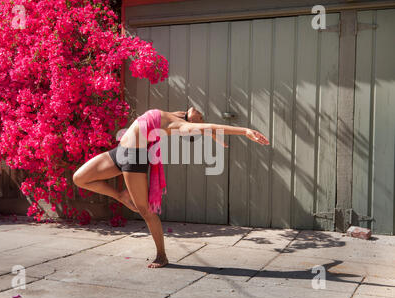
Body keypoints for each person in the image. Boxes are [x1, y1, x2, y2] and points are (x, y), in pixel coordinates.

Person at [72, 107, 269, 268]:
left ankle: (161, 255)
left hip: (134, 158)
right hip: (120, 152)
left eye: (199, 119)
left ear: (192, 125)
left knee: (146, 211)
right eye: (200, 117)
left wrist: (244, 131)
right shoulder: (176, 115)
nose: (201, 114)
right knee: (80, 178)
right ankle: (121, 196)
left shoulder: (178, 125)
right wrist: (211, 134)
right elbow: (206, 127)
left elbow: (207, 125)